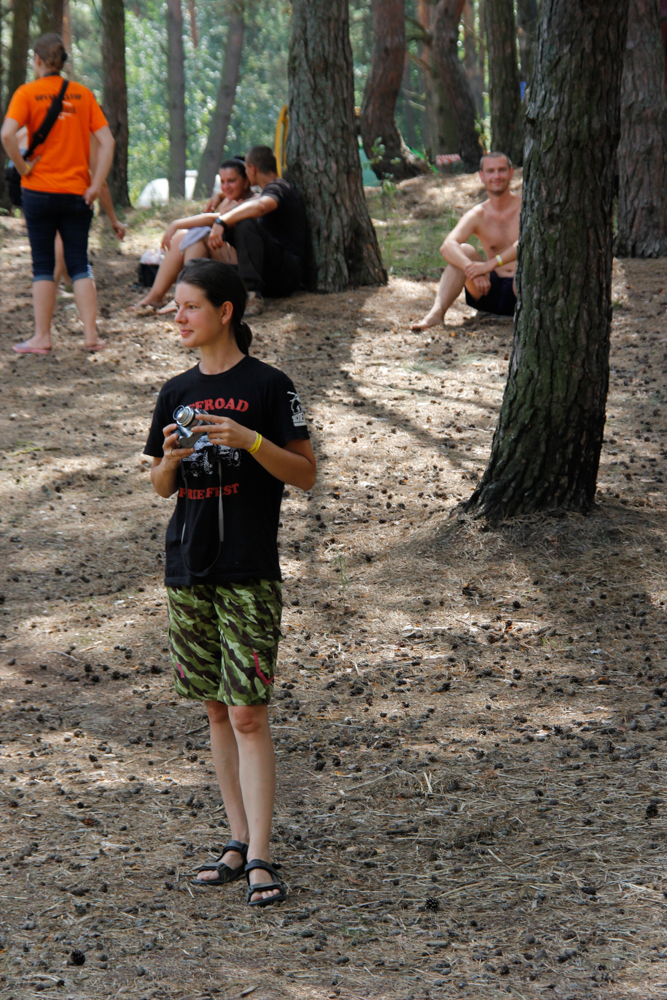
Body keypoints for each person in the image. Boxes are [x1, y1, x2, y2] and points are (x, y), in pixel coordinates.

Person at [144, 258, 316, 906]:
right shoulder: (175, 391)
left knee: (247, 711)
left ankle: (263, 854)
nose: (178, 317)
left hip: (249, 566)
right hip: (188, 567)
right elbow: (159, 485)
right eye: (176, 307)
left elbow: (305, 473)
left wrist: (249, 441)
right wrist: (171, 460)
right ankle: (237, 839)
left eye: (189, 306)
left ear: (225, 311)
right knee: (216, 707)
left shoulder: (269, 385)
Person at [1, 33, 114, 354]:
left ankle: (42, 337)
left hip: (37, 192)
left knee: (42, 265)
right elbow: (107, 142)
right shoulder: (83, 94)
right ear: (62, 62)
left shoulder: (26, 93)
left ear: (36, 60)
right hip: (78, 193)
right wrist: (96, 184)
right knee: (79, 264)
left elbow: (7, 135)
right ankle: (91, 336)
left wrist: (23, 168)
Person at [159, 145, 308, 316]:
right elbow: (218, 218)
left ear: (252, 169)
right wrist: (177, 224)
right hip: (269, 276)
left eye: (245, 170)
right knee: (200, 255)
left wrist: (222, 222)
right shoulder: (267, 192)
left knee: (244, 223)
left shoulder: (278, 188)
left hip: (286, 275)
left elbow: (260, 206)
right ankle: (186, 298)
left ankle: (251, 296)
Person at [411, 152, 521, 332]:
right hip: (487, 290)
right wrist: (472, 269)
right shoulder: (478, 214)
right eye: (490, 171)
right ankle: (436, 314)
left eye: (501, 170)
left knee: (527, 267)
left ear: (510, 173)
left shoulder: (527, 207)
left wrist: (489, 264)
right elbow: (447, 246)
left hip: (523, 290)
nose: (496, 176)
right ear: (482, 176)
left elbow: (524, 244)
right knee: (463, 250)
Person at [130, 158, 253, 315]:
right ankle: (158, 297)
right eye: (222, 182)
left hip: (241, 264)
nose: (226, 186)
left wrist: (176, 224)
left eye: (231, 181)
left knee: (190, 238)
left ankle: (181, 299)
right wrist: (220, 195)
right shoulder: (230, 198)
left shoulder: (252, 202)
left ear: (246, 181)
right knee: (186, 240)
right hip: (224, 255)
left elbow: (214, 219)